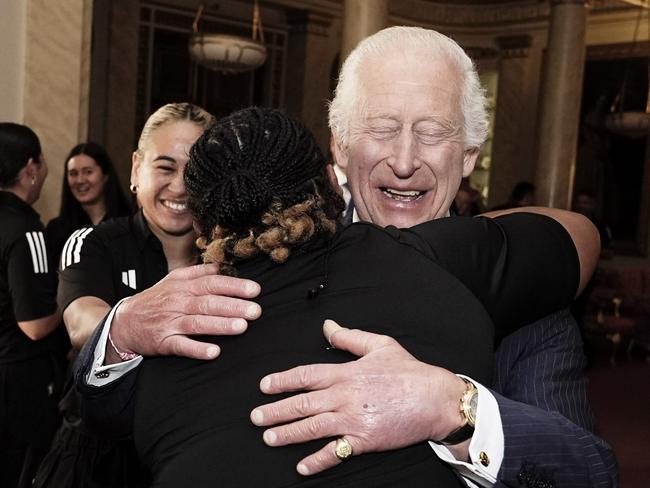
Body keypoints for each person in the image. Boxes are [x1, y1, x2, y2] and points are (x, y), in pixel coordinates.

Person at [77, 27, 617, 487]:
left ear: (470, 155)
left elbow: (591, 471)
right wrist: (120, 330)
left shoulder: (530, 297)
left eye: (432, 134)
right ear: (338, 146)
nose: (405, 162)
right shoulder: (240, 274)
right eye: (381, 129)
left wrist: (457, 410)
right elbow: (109, 414)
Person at [34, 103, 216, 488]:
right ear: (136, 169)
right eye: (165, 167)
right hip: (95, 462)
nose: (180, 186)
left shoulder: (233, 258)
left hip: (189, 459)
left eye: (196, 172)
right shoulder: (95, 243)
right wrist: (139, 320)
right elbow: (82, 322)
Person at [0, 123, 66, 488]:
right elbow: (36, 324)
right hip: (19, 378)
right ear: (30, 168)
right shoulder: (26, 229)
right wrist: (72, 300)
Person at [46, 142, 132, 261]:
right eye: (73, 173)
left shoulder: (128, 225)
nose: (80, 180)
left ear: (105, 175)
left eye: (88, 172)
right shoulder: (56, 229)